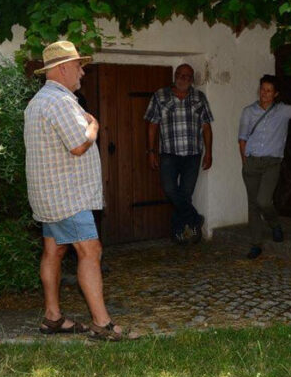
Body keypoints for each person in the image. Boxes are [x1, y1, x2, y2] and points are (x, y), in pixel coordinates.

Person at [24, 41, 135, 341]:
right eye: (78, 66)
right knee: (90, 250)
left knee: (53, 250)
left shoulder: (37, 102)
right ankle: (102, 324)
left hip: (48, 195)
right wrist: (94, 127)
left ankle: (53, 317)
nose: (82, 72)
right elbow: (78, 144)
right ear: (61, 68)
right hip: (67, 197)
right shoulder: (60, 102)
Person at [238, 75, 291, 259]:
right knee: (252, 204)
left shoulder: (282, 111)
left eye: (269, 91)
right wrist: (245, 161)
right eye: (262, 89)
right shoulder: (248, 111)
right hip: (252, 162)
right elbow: (242, 138)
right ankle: (255, 244)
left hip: (272, 162)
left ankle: (274, 224)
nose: (264, 94)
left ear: (275, 94)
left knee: (263, 201)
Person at [145, 64, 214, 245]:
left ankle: (181, 232)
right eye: (181, 75)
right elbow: (152, 124)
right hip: (169, 153)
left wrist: (209, 153)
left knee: (185, 194)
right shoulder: (160, 96)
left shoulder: (200, 97)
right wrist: (151, 151)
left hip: (193, 154)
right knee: (169, 189)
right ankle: (195, 219)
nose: (184, 78)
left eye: (188, 76)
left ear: (192, 79)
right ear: (175, 75)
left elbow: (206, 127)